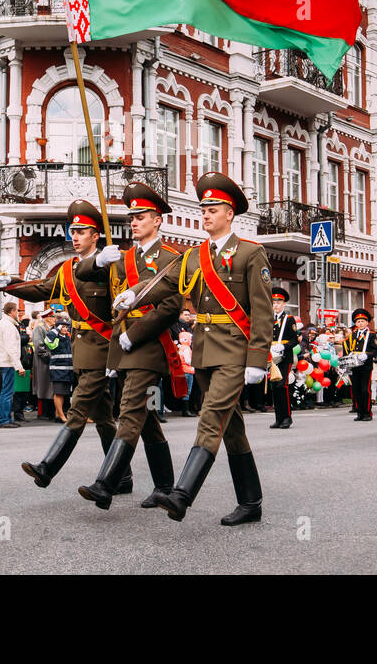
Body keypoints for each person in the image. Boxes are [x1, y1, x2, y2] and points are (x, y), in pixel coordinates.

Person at [112, 172, 271, 526]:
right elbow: (163, 280)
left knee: (211, 418)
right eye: (204, 208)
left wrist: (258, 358)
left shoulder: (250, 252)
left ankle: (182, 494)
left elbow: (262, 312)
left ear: (230, 212)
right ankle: (251, 501)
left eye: (213, 208)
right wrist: (133, 294)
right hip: (204, 352)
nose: (206, 214)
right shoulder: (195, 255)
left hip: (234, 350)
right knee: (232, 429)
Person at [0, 199, 131, 497]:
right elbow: (43, 288)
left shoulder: (112, 264)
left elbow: (125, 309)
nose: (75, 236)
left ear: (96, 235)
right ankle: (123, 476)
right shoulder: (69, 270)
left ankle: (48, 467)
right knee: (105, 419)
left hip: (101, 350)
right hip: (80, 350)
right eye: (73, 231)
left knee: (78, 408)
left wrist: (110, 265)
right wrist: (11, 284)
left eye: (82, 231)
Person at [72, 182, 185, 510]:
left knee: (131, 411)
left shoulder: (171, 258)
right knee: (147, 417)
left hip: (151, 346)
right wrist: (97, 262)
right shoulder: (123, 259)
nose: (134, 222)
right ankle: (165, 486)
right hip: (124, 348)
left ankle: (106, 483)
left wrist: (133, 336)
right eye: (132, 217)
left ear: (158, 220)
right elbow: (86, 278)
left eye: (142, 216)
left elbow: (171, 306)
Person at [0, 302, 26, 427]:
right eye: (17, 311)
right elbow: (10, 348)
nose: (17, 313)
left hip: (5, 361)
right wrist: (19, 366)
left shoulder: (3, 324)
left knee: (6, 391)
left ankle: (5, 418)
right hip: (8, 362)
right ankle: (4, 420)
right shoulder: (7, 326)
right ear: (11, 311)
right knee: (7, 392)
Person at [269, 289, 297, 429]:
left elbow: (294, 340)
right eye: (273, 302)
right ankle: (278, 418)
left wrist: (283, 347)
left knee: (282, 385)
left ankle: (287, 417)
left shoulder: (289, 319)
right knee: (275, 387)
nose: (275, 305)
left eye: (278, 302)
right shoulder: (269, 318)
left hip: (284, 357)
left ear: (284, 303)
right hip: (272, 357)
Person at [345, 308, 377, 422]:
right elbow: (349, 349)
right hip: (355, 365)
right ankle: (359, 412)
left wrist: (367, 355)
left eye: (362, 321)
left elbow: (375, 351)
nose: (360, 323)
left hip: (366, 366)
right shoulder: (353, 335)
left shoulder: (371, 335)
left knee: (365, 389)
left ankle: (367, 412)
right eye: (358, 321)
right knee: (356, 389)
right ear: (355, 323)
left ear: (367, 322)